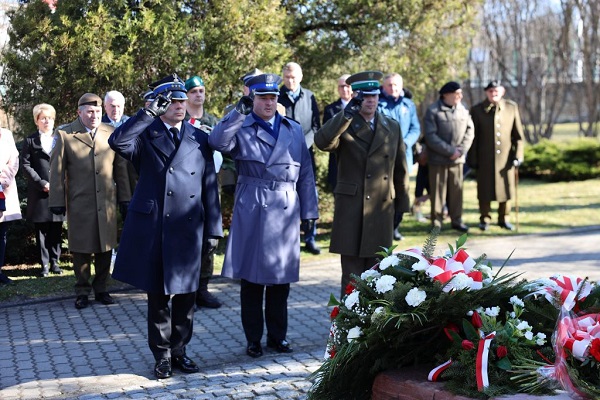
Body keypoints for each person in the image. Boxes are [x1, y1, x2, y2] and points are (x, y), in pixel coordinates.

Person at [109, 74, 223, 379]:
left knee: (186, 298)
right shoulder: (145, 136)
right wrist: (146, 113)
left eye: (182, 100)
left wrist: (214, 229)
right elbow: (117, 141)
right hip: (156, 228)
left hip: (188, 228)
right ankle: (161, 356)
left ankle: (180, 351)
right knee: (158, 298)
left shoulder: (199, 138)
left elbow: (209, 186)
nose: (180, 106)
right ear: (161, 104)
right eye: (172, 101)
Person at [209, 73, 319, 359]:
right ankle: (253, 339)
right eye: (262, 97)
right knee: (252, 281)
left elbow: (305, 172)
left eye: (272, 97)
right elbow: (217, 142)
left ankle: (277, 337)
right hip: (254, 207)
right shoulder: (241, 125)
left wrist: (309, 211)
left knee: (280, 282)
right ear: (253, 99)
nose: (269, 102)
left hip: (284, 207)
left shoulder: (293, 129)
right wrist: (237, 112)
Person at [315, 71, 410, 298]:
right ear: (356, 97)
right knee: (352, 278)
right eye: (364, 96)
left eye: (374, 95)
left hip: (381, 209)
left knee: (381, 275)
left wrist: (402, 205)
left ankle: (374, 330)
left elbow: (400, 168)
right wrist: (345, 114)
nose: (370, 100)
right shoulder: (344, 124)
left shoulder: (391, 126)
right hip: (352, 209)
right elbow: (322, 142)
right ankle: (348, 328)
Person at [49, 93, 131, 309]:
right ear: (79, 112)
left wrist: (125, 198)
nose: (94, 116)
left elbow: (120, 170)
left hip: (106, 203)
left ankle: (102, 288)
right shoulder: (66, 134)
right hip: (80, 203)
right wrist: (56, 200)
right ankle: (82, 290)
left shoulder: (110, 133)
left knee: (105, 247)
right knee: (81, 249)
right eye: (90, 112)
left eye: (97, 112)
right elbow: (56, 170)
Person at [184, 75, 223, 309]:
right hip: (186, 187)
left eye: (201, 90)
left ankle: (203, 288)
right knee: (189, 238)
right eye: (194, 91)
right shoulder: (180, 118)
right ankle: (186, 291)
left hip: (210, 186)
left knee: (210, 239)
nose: (199, 95)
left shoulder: (212, 120)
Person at [468, 80, 525, 231]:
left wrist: (518, 155)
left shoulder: (511, 108)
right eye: (491, 91)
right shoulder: (477, 110)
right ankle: (485, 218)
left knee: (505, 189)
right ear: (486, 92)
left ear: (503, 91)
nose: (494, 94)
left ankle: (504, 218)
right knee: (484, 190)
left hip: (505, 159)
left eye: (496, 91)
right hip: (484, 158)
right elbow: (473, 137)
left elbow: (518, 136)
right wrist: (472, 159)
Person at [277, 62, 321, 255]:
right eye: (287, 77)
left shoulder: (310, 97)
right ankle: (289, 237)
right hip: (282, 156)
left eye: (294, 77)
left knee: (310, 196)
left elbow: (316, 126)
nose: (290, 80)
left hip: (306, 154)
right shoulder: (276, 97)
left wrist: (304, 144)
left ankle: (310, 238)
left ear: (301, 77)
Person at [20, 103, 65, 277]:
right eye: (43, 118)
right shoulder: (30, 140)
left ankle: (55, 262)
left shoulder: (60, 139)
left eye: (50, 118)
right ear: (37, 121)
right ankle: (44, 265)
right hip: (39, 192)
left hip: (58, 190)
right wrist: (41, 183)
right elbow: (25, 165)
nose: (47, 121)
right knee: (42, 231)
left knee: (56, 227)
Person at [423, 82, 474, 232]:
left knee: (457, 191)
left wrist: (461, 150)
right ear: (446, 95)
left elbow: (470, 132)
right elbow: (430, 136)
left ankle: (457, 220)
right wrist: (450, 151)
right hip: (438, 160)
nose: (460, 96)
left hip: (457, 160)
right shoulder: (433, 111)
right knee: (438, 192)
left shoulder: (462, 109)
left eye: (460, 93)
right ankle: (437, 223)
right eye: (457, 94)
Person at [378, 73, 421, 241]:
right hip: (382, 158)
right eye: (389, 85)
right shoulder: (377, 103)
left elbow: (415, 128)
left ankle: (396, 226)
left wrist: (404, 144)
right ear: (383, 87)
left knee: (402, 192)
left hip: (404, 157)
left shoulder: (408, 105)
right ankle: (384, 226)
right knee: (385, 192)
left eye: (396, 85)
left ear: (401, 86)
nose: (393, 88)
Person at [322, 74, 352, 191]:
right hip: (337, 159)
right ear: (338, 89)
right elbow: (326, 135)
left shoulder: (362, 108)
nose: (344, 89)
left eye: (347, 86)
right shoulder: (330, 109)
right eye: (341, 86)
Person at [0, 128, 22, 286]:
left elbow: (14, 160)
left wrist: (3, 178)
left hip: (3, 189)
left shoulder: (6, 134)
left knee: (1, 234)